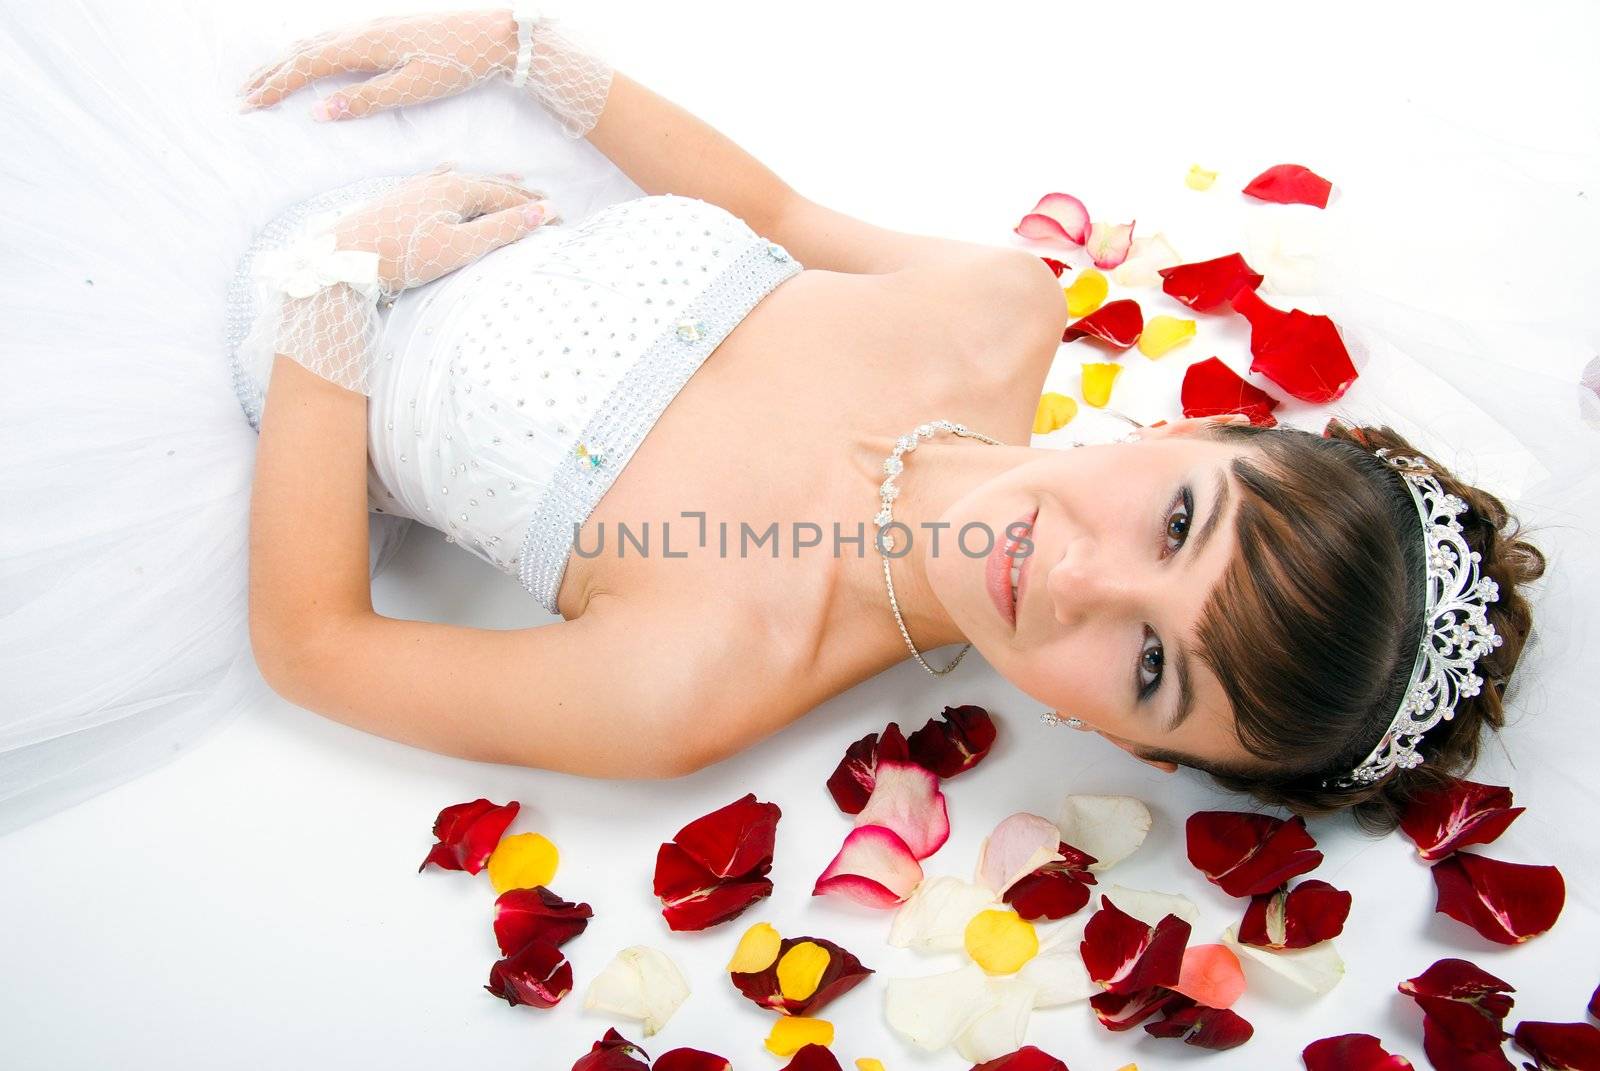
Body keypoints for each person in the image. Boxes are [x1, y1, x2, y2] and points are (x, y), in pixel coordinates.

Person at [1, 4, 1589, 838]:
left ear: (1120, 744)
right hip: (412, 133)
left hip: (228, 353)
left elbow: (317, 646)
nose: (1089, 577)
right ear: (1208, 437)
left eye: (1154, 667)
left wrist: (328, 305)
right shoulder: (995, 308)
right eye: (1181, 521)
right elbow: (765, 204)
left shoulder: (702, 674)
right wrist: (533, 56)